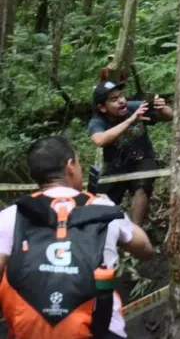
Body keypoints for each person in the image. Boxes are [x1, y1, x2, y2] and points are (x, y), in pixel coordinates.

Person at [0, 136, 153, 339]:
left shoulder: (12, 214)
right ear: (70, 166)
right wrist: (116, 212)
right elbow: (145, 249)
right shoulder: (102, 209)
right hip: (99, 331)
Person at [88, 81, 173, 225]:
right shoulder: (97, 121)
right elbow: (99, 140)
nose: (121, 101)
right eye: (114, 100)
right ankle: (104, 235)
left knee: (142, 187)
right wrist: (131, 121)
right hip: (115, 165)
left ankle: (135, 232)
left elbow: (169, 116)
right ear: (102, 107)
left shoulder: (135, 107)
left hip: (142, 158)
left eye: (121, 96)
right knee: (102, 200)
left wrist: (162, 108)